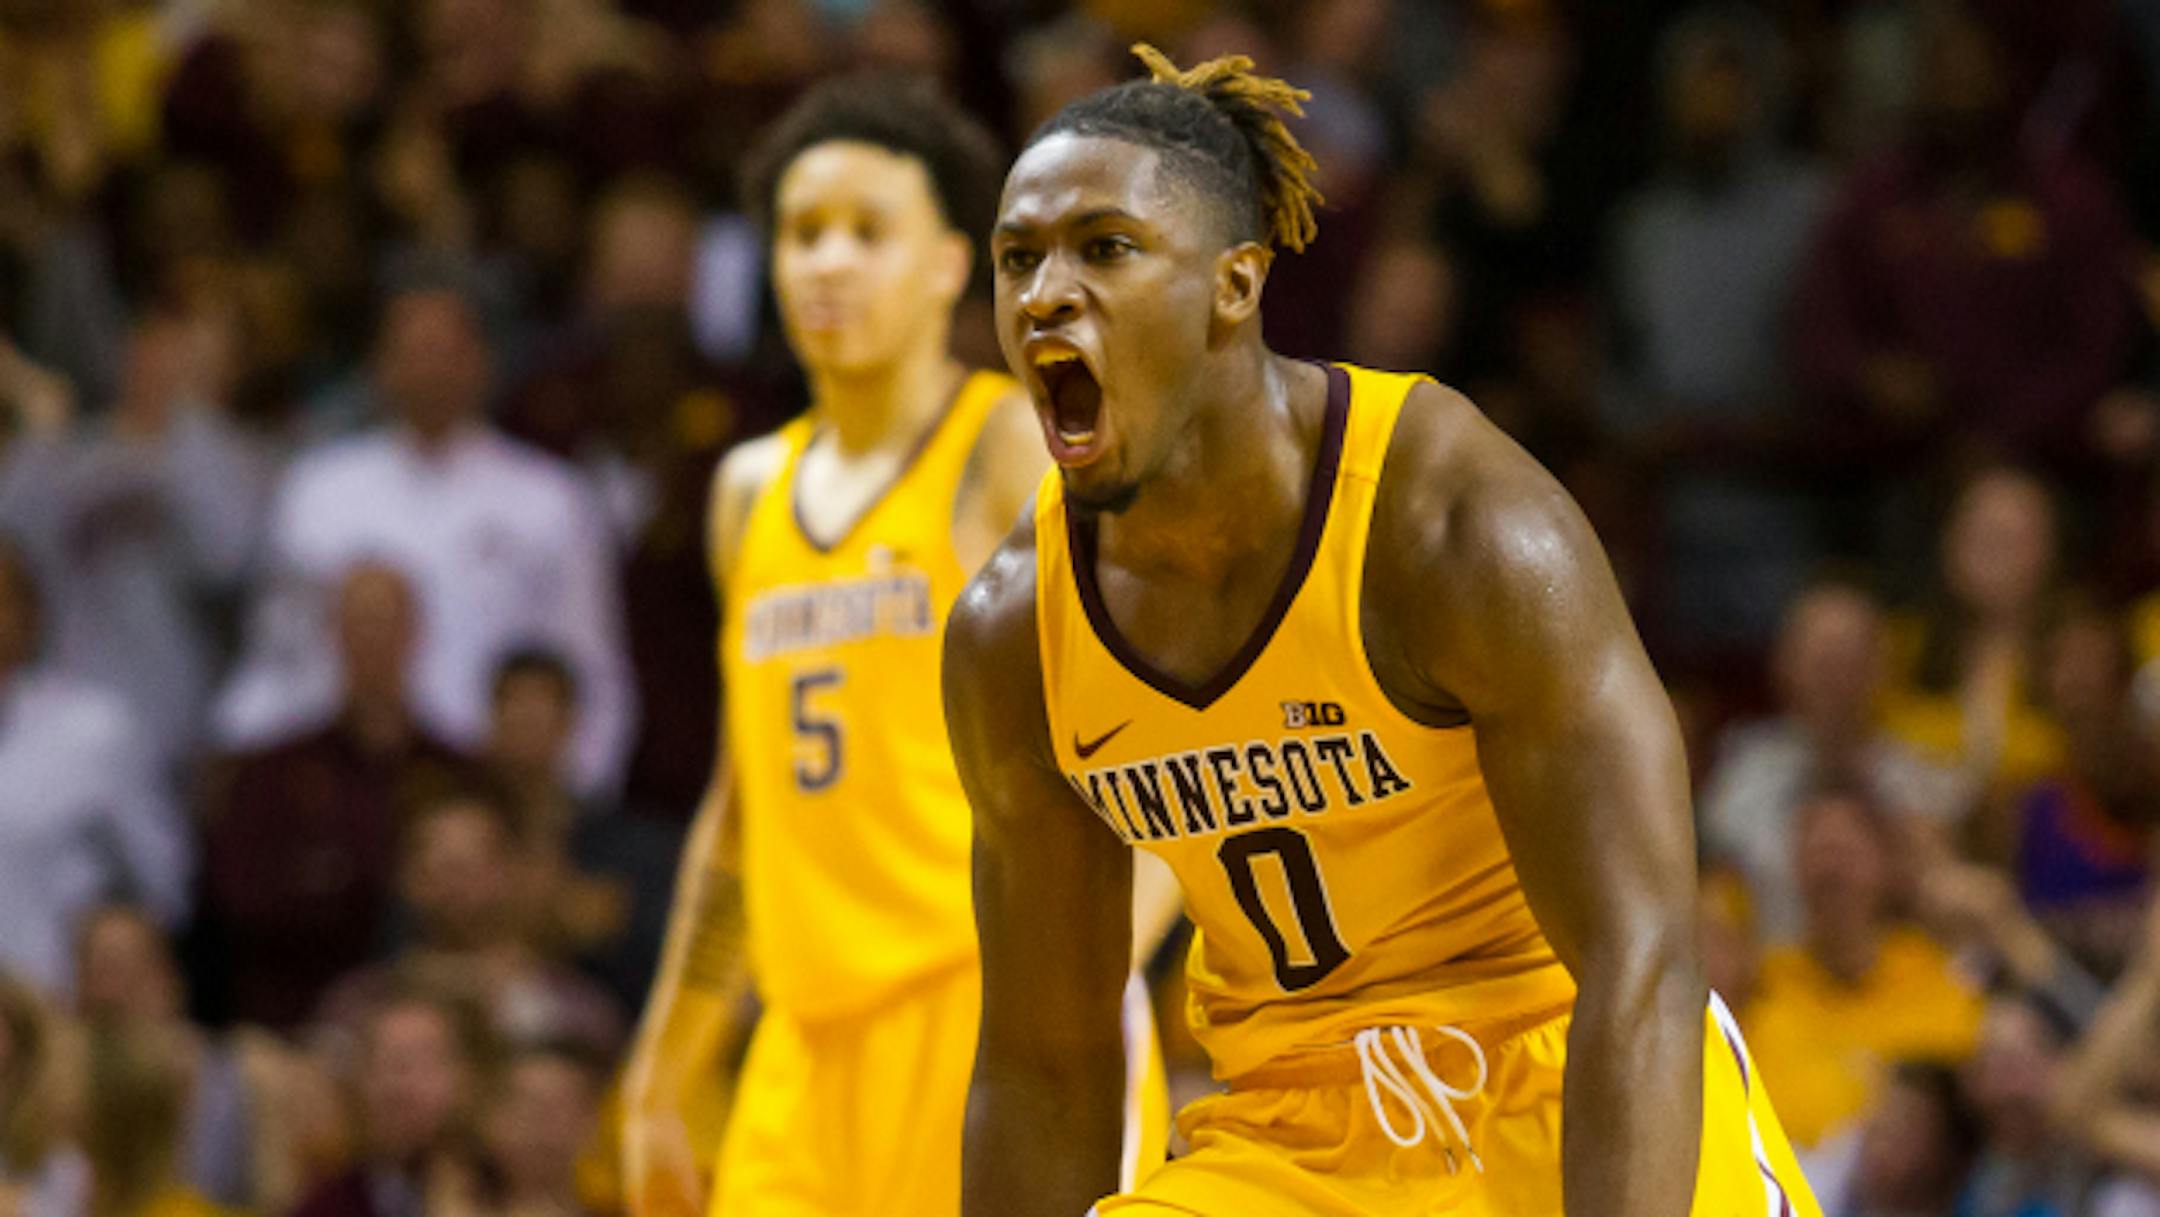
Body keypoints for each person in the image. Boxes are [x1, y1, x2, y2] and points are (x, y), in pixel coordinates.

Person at [943, 46, 1819, 1216]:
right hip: (1289, 1134)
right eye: (1017, 259)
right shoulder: (1013, 630)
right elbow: (1042, 1065)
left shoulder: (1453, 526)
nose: (1045, 291)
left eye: (1105, 247)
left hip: (1566, 1084)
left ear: (1235, 286)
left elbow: (1640, 961)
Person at [619, 73, 1171, 1217]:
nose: (828, 262)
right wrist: (663, 1066)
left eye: (869, 233)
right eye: (803, 233)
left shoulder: (1014, 448)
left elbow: (1165, 727)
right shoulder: (746, 492)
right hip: (803, 1041)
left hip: (991, 1009)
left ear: (948, 264)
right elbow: (741, 803)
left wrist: (1089, 971)